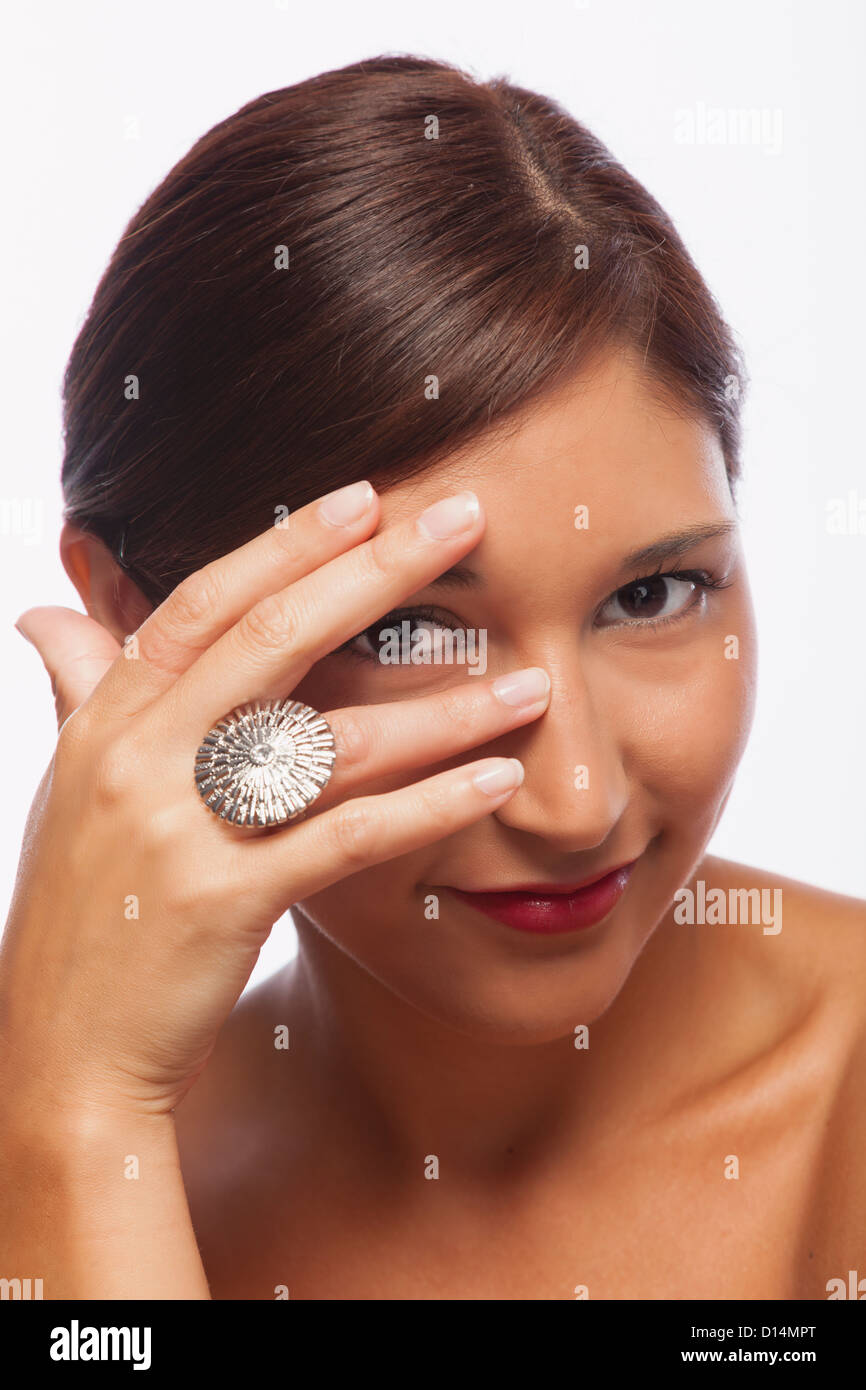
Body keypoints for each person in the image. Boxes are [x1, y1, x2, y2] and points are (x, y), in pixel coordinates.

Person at [2, 55, 864, 1301]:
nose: (573, 804)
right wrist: (78, 1120)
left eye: (650, 595)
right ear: (136, 618)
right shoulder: (72, 1160)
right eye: (407, 631)